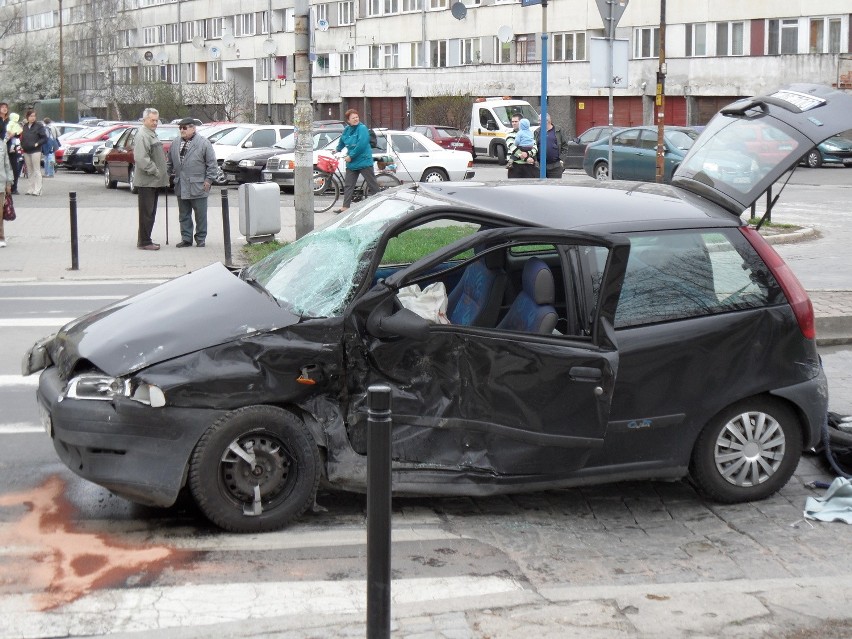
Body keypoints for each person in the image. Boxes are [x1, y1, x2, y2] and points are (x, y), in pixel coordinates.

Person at [167, 117, 218, 248]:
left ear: (193, 128)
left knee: (200, 215)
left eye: (185, 128)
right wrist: (165, 177)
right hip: (181, 184)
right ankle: (186, 238)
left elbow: (212, 164)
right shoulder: (175, 143)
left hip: (199, 185)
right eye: (180, 128)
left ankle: (200, 238)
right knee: (184, 214)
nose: (182, 130)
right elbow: (169, 163)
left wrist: (209, 180)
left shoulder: (203, 143)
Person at [133, 107, 169, 250]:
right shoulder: (143, 135)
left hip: (153, 181)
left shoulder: (151, 134)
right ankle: (144, 242)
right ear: (144, 120)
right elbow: (141, 159)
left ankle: (146, 239)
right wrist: (156, 171)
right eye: (152, 120)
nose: (155, 122)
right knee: (146, 213)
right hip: (147, 181)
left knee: (150, 213)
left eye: (156, 120)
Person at [334, 108, 380, 214]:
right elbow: (342, 141)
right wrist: (337, 149)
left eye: (357, 117)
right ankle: (345, 207)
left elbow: (361, 144)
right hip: (352, 162)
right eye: (353, 118)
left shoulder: (362, 128)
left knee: (372, 185)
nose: (356, 119)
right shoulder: (347, 130)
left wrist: (351, 156)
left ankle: (380, 204)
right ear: (348, 121)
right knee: (349, 185)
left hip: (363, 160)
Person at [20, 109, 47, 196]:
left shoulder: (39, 126)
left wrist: (37, 143)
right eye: (31, 116)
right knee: (29, 170)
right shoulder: (24, 126)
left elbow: (44, 138)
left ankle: (38, 189)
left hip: (35, 150)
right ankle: (30, 188)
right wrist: (22, 145)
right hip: (26, 150)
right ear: (27, 117)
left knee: (36, 170)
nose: (33, 118)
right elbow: (22, 137)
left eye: (34, 116)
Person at [543, 113, 570, 179]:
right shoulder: (537, 132)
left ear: (547, 121)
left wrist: (561, 159)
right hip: (541, 166)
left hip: (555, 166)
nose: (538, 122)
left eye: (539, 120)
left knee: (554, 187)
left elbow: (565, 146)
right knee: (541, 187)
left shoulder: (559, 131)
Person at [0, 132, 13, 248]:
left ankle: (1, 237)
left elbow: (7, 164)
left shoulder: (2, 144)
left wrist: (9, 182)